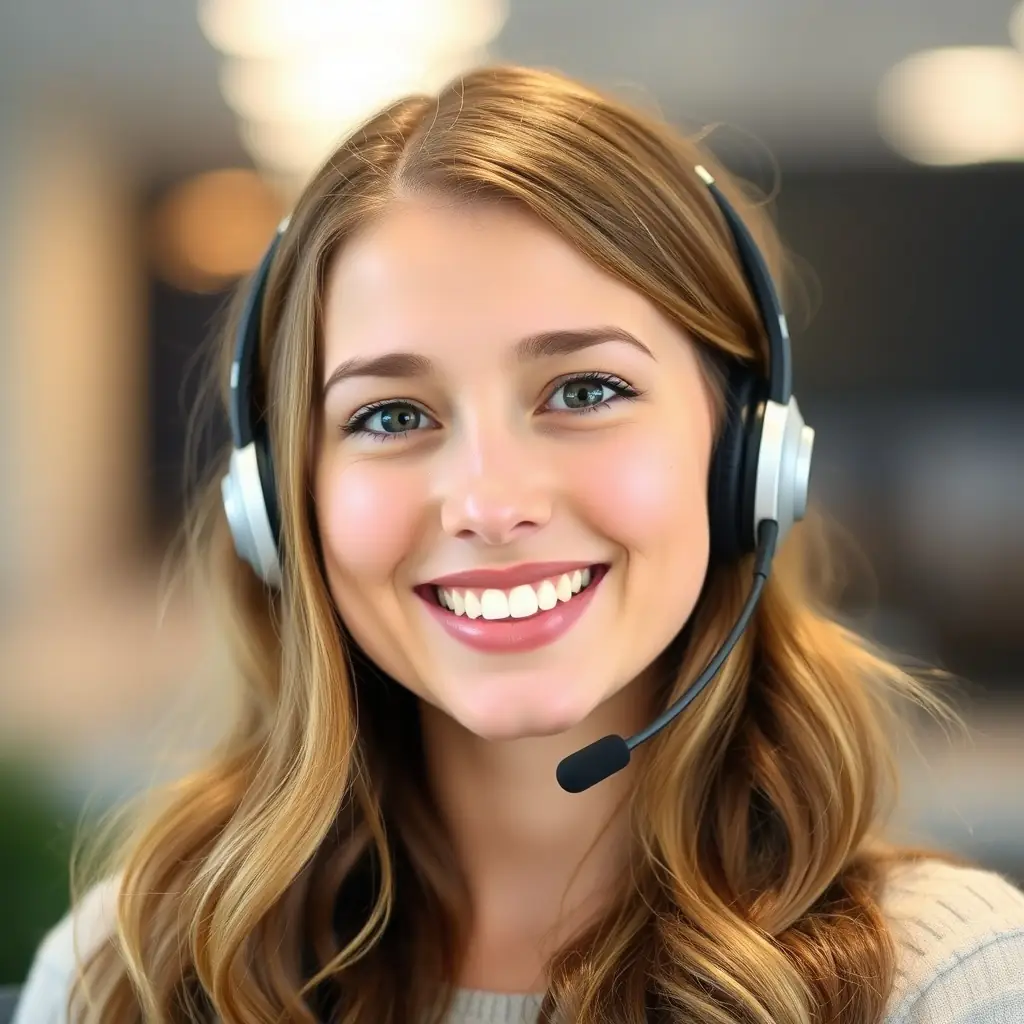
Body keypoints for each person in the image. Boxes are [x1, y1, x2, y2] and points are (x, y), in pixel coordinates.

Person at [13, 64, 1024, 1024]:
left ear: (747, 459)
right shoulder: (128, 976)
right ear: (280, 506)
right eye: (390, 415)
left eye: (584, 391)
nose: (489, 504)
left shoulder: (947, 986)